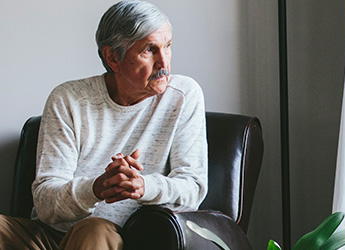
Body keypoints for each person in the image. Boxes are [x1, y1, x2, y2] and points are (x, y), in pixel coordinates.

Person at [0, 1, 208, 249]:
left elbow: (193, 189)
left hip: (115, 238)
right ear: (112, 58)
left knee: (93, 230)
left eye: (168, 46)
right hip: (49, 237)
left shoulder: (182, 96)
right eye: (149, 50)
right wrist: (96, 188)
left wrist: (144, 186)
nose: (163, 63)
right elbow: (46, 205)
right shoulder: (69, 99)